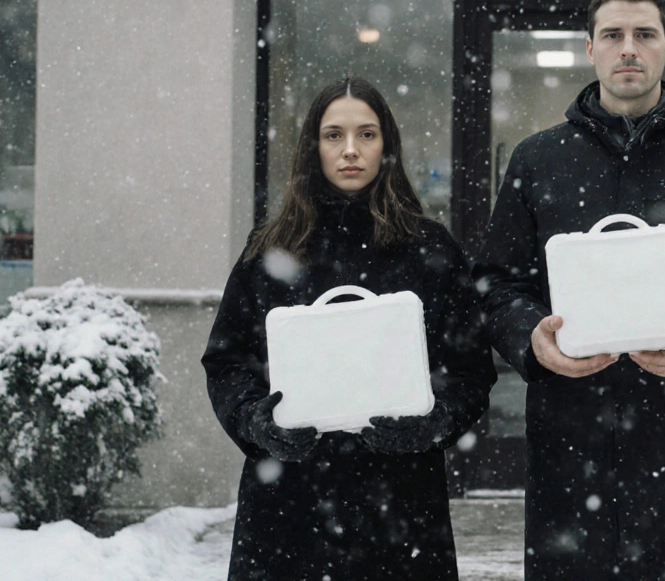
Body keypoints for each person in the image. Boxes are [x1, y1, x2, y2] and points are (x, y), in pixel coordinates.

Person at [474, 0, 665, 581]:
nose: (628, 49)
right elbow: (496, 283)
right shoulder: (539, 159)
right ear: (591, 49)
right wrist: (530, 338)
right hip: (571, 432)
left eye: (644, 35)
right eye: (612, 35)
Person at [202, 78, 496, 580]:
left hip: (401, 506)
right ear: (312, 147)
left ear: (388, 146)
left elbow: (469, 371)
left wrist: (435, 421)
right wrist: (257, 423)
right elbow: (227, 361)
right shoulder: (271, 249)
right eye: (333, 135)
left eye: (367, 134)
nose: (351, 150)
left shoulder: (430, 249)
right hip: (289, 503)